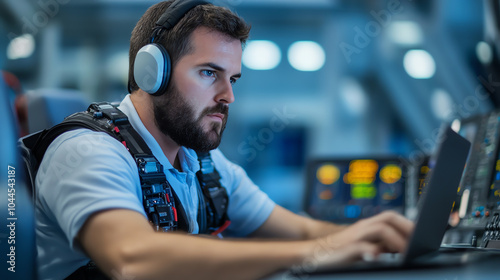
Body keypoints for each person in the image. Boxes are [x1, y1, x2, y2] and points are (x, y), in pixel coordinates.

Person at [34, 1, 414, 279]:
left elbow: (300, 230)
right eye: (208, 73)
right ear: (152, 74)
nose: (227, 96)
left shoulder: (201, 164)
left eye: (231, 79)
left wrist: (374, 239)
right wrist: (315, 252)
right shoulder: (88, 152)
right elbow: (132, 258)